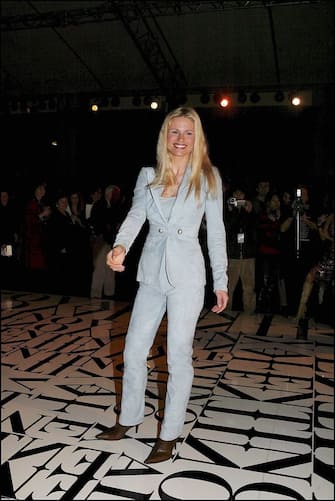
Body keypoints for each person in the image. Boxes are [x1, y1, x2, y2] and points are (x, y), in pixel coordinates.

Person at [95, 107, 229, 463]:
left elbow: (216, 233)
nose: (181, 139)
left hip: (187, 276)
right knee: (133, 351)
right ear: (164, 136)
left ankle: (168, 434)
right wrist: (120, 245)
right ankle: (129, 418)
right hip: (151, 273)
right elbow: (136, 214)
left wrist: (221, 280)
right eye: (175, 132)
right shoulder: (148, 174)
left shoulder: (208, 177)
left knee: (178, 355)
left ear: (196, 137)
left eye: (188, 133)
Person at [224, 185, 257, 314]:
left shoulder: (250, 212)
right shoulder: (228, 211)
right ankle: (225, 310)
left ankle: (249, 312)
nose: (238, 197)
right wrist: (232, 210)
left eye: (241, 195)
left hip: (248, 255)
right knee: (228, 286)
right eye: (235, 195)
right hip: (233, 254)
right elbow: (228, 227)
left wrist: (249, 211)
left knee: (249, 287)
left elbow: (254, 228)